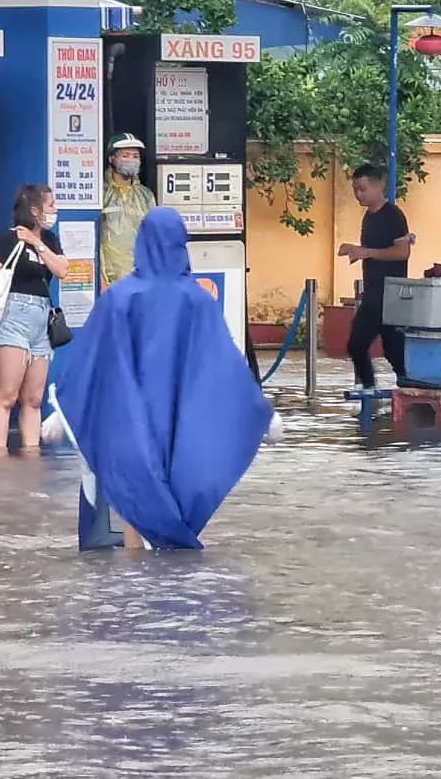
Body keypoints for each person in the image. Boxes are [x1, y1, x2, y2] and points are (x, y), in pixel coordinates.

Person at [54, 207, 276, 550]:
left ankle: (137, 569)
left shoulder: (119, 298)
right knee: (182, 490)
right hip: (182, 420)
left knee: (138, 491)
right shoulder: (198, 300)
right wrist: (262, 413)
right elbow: (223, 364)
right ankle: (175, 567)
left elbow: (92, 364)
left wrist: (60, 414)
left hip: (131, 419)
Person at [0, 183, 69, 451]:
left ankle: (31, 451)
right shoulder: (9, 240)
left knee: (33, 398)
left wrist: (37, 243)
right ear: (35, 210)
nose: (54, 210)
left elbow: (62, 270)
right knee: (7, 395)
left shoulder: (49, 240)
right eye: (50, 205)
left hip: (41, 318)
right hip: (14, 315)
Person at [339, 164, 411, 389]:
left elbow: (402, 252)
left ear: (379, 185)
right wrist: (356, 251)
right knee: (362, 345)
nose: (358, 195)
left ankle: (404, 386)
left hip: (389, 293)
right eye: (355, 190)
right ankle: (372, 388)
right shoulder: (368, 217)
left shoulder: (393, 215)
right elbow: (372, 250)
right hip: (373, 291)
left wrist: (366, 252)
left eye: (363, 189)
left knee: (386, 348)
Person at [100, 133, 156, 289]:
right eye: (125, 155)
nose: (131, 160)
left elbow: (153, 236)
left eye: (135, 156)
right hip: (110, 280)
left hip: (142, 278)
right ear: (111, 158)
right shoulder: (101, 194)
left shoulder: (145, 195)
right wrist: (100, 278)